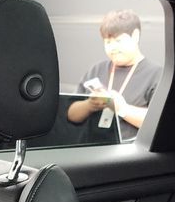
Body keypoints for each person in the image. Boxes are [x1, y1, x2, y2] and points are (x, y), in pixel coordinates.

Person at [67, 10, 162, 142]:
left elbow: (160, 122)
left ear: (135, 36)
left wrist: (122, 109)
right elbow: (71, 115)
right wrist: (89, 104)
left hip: (128, 150)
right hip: (91, 147)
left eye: (118, 40)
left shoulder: (156, 74)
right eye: (107, 42)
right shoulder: (97, 70)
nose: (113, 48)